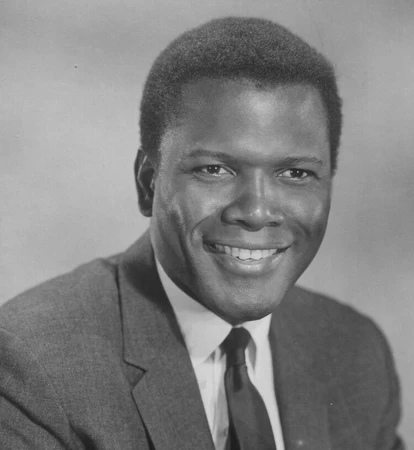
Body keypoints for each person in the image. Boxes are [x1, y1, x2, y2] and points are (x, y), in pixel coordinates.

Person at [0, 17, 404, 450]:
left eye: (296, 173)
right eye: (215, 169)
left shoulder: (356, 351)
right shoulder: (35, 366)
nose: (256, 212)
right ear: (148, 183)